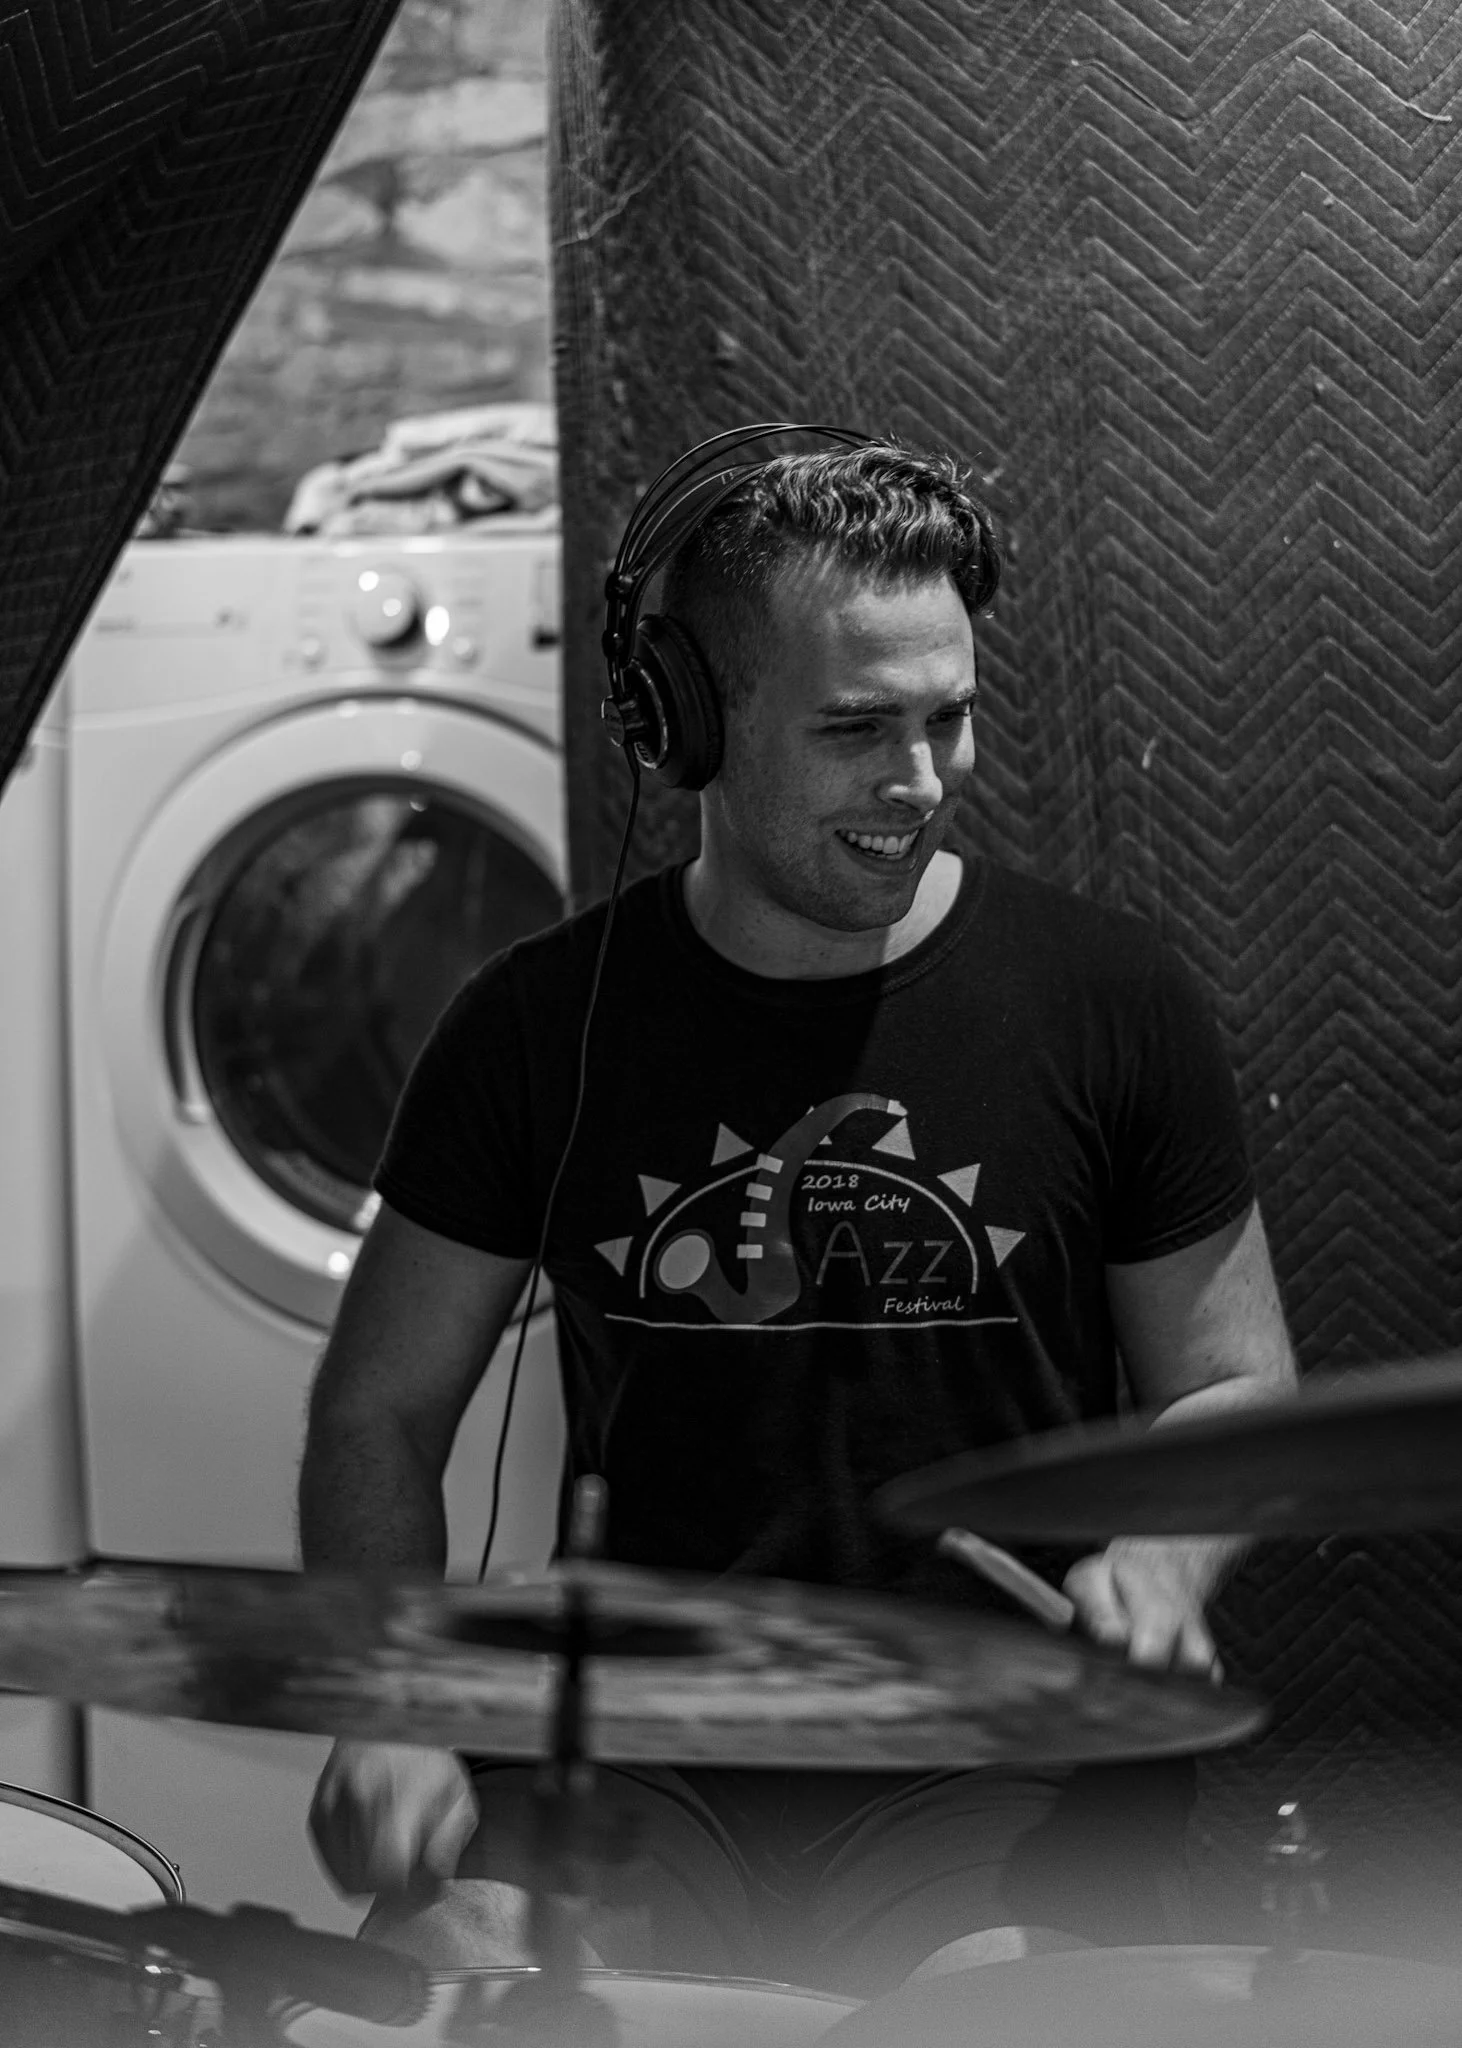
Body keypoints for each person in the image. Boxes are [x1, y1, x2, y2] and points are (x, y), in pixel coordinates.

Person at [299, 439, 1296, 1994]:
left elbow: (1231, 1379)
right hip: (635, 1727)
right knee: (450, 1985)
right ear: (686, 726)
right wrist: (391, 1703)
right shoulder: (532, 1028)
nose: (917, 784)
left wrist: (1160, 1562)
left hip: (993, 1747)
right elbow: (378, 1409)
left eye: (946, 719)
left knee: (997, 2013)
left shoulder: (1109, 1001)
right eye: (853, 731)